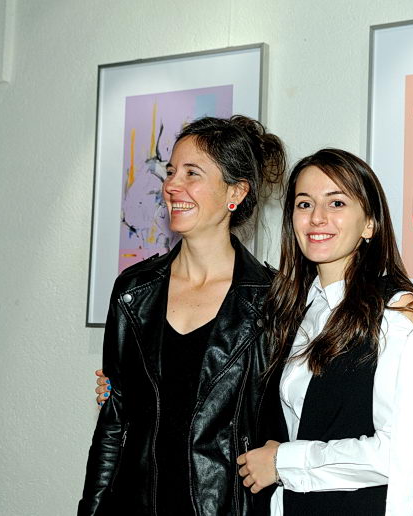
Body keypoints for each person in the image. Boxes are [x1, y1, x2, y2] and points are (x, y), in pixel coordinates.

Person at [79, 115, 287, 515]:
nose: (172, 185)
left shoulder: (272, 301)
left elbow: (289, 416)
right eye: (172, 171)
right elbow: (112, 426)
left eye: (192, 173)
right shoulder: (133, 291)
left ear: (236, 192)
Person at [235, 149, 413, 515]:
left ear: (369, 224)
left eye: (336, 203)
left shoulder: (396, 313)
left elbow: (401, 454)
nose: (317, 217)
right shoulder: (291, 309)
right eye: (304, 204)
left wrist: (284, 462)